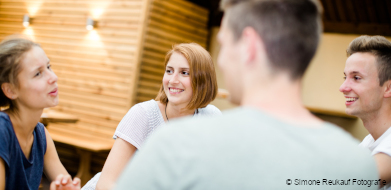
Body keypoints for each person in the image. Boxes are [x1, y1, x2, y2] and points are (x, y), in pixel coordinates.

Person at [113, 0, 379, 189]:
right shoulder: (357, 166)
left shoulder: (177, 145)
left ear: (249, 46)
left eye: (224, 46)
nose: (223, 61)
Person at [80, 43, 221, 190]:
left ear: (203, 80)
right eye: (169, 71)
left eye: (184, 73)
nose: (173, 80)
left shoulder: (211, 117)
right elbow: (105, 184)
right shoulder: (143, 114)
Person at [0, 36, 80, 189]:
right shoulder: (2, 131)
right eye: (38, 74)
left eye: (49, 67)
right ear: (10, 90)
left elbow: (64, 183)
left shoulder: (41, 135)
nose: (54, 77)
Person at [339, 35, 391, 189]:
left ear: (388, 88)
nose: (343, 88)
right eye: (345, 77)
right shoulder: (369, 143)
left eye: (356, 77)